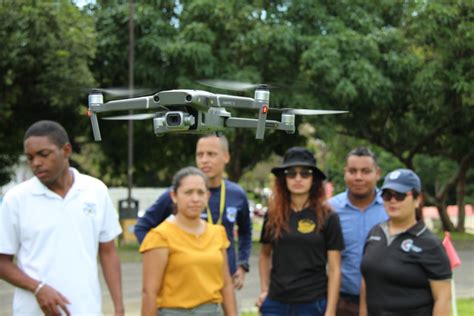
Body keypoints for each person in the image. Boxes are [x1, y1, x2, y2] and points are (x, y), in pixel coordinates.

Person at [0, 120, 124, 315]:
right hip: (33, 311)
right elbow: (2, 261)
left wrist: (119, 306)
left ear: (66, 151)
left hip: (86, 309)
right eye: (30, 157)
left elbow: (108, 252)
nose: (36, 163)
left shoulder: (95, 190)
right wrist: (38, 288)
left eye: (43, 154)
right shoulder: (16, 199)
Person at [134, 134, 252, 289]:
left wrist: (242, 265)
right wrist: (159, 257)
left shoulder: (237, 194)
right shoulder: (178, 193)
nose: (204, 160)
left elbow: (245, 231)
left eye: (211, 154)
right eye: (200, 154)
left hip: (223, 281)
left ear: (226, 157)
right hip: (184, 282)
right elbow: (142, 227)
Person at [257, 147, 344, 316]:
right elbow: (264, 255)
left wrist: (331, 310)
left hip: (313, 304)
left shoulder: (328, 216)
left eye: (305, 173)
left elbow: (334, 269)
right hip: (276, 303)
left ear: (314, 179)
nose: (298, 178)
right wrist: (264, 290)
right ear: (284, 178)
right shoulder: (273, 215)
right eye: (291, 173)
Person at [140, 166, 237, 315]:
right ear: (174, 195)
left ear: (208, 196)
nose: (195, 199)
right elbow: (149, 293)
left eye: (200, 192)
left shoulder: (218, 233)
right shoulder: (160, 236)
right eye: (188, 192)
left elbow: (226, 285)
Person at [360, 169, 452, 315]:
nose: (392, 200)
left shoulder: (430, 244)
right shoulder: (374, 233)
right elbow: (367, 283)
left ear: (417, 199)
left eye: (400, 195)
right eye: (387, 195)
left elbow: (443, 299)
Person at [327, 147, 388, 316]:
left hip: (385, 301)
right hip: (341, 302)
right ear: (345, 173)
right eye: (352, 171)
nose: (358, 177)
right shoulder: (329, 209)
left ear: (377, 173)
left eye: (366, 171)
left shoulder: (391, 207)